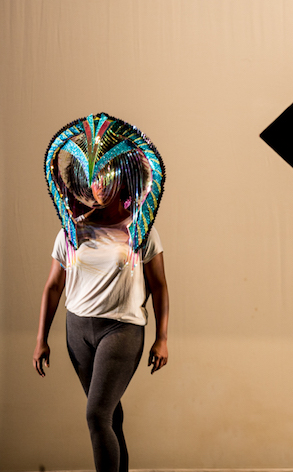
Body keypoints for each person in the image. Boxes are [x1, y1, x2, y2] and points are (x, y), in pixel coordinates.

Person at [34, 113, 169, 472]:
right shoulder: (71, 233)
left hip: (121, 330)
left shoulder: (142, 232)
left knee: (96, 415)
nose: (97, 186)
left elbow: (160, 287)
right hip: (77, 330)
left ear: (122, 177)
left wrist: (162, 338)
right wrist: (41, 339)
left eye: (104, 177)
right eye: (91, 178)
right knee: (110, 415)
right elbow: (53, 286)